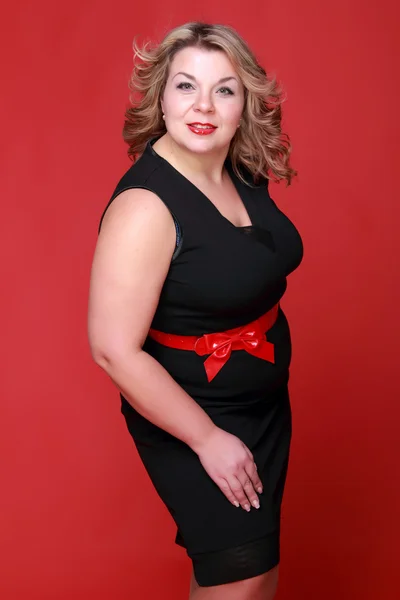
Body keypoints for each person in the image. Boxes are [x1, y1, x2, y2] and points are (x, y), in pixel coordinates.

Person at [88, 21, 303, 600]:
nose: (203, 106)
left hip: (260, 404)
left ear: (246, 101)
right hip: (191, 412)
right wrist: (207, 438)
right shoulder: (144, 207)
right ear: (161, 96)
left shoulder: (239, 167)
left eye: (224, 89)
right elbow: (112, 348)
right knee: (241, 574)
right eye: (186, 86)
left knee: (257, 573)